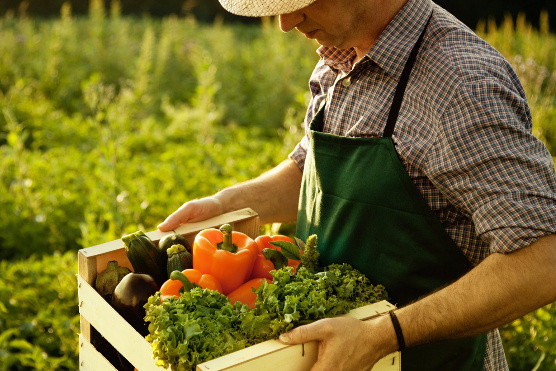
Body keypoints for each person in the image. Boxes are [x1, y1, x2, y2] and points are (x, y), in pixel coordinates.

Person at [157, 0, 556, 369]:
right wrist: (229, 201)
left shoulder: (460, 85)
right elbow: (311, 171)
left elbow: (544, 258)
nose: (285, 23)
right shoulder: (343, 54)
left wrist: (383, 335)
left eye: (300, 2)